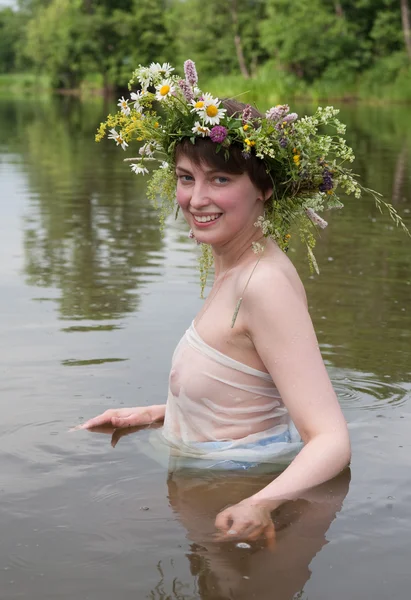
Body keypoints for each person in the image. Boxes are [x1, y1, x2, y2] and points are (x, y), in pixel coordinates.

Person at [78, 59, 405, 545]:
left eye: (221, 180)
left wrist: (261, 502)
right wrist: (151, 413)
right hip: (209, 485)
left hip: (236, 494)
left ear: (264, 190)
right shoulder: (236, 263)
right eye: (186, 177)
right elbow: (245, 390)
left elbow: (332, 440)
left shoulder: (262, 284)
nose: (196, 198)